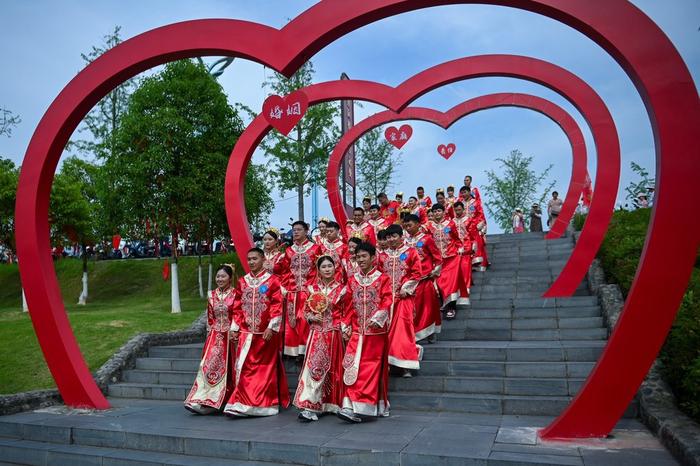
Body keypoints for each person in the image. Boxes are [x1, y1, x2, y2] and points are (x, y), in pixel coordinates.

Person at [223, 248, 289, 417]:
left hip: (265, 334)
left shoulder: (273, 281)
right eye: (249, 259)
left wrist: (272, 327)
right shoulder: (243, 282)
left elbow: (277, 306)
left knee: (263, 369)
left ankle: (263, 405)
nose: (251, 262)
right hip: (246, 333)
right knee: (244, 367)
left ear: (263, 259)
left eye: (255, 258)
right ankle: (242, 401)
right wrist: (234, 328)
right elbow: (237, 307)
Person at [337, 242, 393, 423]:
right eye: (357, 257)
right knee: (351, 366)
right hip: (356, 332)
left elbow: (387, 300)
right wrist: (345, 324)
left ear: (372, 258)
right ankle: (348, 404)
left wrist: (378, 318)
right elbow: (348, 306)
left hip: (375, 333)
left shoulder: (382, 278)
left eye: (364, 256)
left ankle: (364, 407)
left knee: (369, 368)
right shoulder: (353, 280)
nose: (360, 260)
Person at [294, 255, 350, 421]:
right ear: (318, 270)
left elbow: (347, 312)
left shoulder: (343, 289)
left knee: (335, 370)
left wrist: (343, 327)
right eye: (323, 267)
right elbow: (303, 311)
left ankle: (332, 404)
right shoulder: (312, 289)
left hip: (334, 334)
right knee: (314, 368)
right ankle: (310, 405)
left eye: (329, 266)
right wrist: (311, 317)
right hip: (317, 334)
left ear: (335, 268)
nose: (327, 269)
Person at [185, 264, 237, 414]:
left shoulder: (235, 294)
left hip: (230, 337)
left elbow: (238, 316)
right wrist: (210, 335)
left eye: (223, 276)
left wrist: (235, 333)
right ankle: (200, 399)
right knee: (207, 367)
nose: (219, 279)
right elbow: (210, 317)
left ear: (230, 278)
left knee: (228, 370)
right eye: (218, 276)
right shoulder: (211, 295)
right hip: (215, 337)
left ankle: (223, 400)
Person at [379, 224, 422, 376]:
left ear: (401, 236)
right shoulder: (382, 256)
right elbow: (379, 276)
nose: (391, 239)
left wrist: (406, 288)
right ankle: (389, 363)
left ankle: (406, 365)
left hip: (404, 298)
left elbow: (417, 273)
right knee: (386, 331)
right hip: (386, 300)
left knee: (403, 331)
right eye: (388, 237)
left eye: (393, 236)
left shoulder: (410, 252)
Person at [283, 221, 320, 357]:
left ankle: (304, 349)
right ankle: (292, 350)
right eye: (294, 230)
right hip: (292, 290)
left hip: (308, 290)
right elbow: (285, 271)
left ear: (306, 231)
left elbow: (318, 269)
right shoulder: (289, 250)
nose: (296, 232)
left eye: (299, 230)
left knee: (305, 319)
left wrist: (315, 287)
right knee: (292, 320)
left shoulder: (315, 249)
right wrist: (285, 287)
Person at [403, 214, 443, 342]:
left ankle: (430, 332)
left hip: (425, 278)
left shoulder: (427, 239)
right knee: (413, 308)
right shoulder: (404, 241)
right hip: (410, 280)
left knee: (428, 307)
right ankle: (413, 334)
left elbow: (437, 257)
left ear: (418, 224)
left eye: (410, 225)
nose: (408, 228)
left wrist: (435, 271)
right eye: (406, 226)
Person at [425, 203, 463, 319]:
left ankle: (451, 307)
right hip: (437, 260)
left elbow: (456, 238)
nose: (437, 213)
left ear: (443, 212)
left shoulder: (450, 224)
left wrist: (460, 247)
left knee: (450, 283)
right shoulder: (429, 227)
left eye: (439, 211)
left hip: (451, 258)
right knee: (440, 283)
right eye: (435, 211)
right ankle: (444, 303)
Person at [451, 201, 474, 306]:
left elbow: (473, 234)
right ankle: (458, 288)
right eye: (456, 210)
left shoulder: (468, 220)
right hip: (455, 248)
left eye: (459, 209)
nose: (457, 211)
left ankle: (466, 287)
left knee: (465, 267)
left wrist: (473, 247)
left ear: (463, 209)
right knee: (457, 268)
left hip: (466, 246)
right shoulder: (452, 222)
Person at [461, 188, 489, 271]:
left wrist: (479, 225)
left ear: (469, 192)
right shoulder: (461, 204)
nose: (463, 194)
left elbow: (480, 214)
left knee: (477, 244)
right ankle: (469, 264)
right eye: (462, 193)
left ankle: (480, 263)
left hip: (474, 226)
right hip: (464, 227)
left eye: (465, 192)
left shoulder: (475, 202)